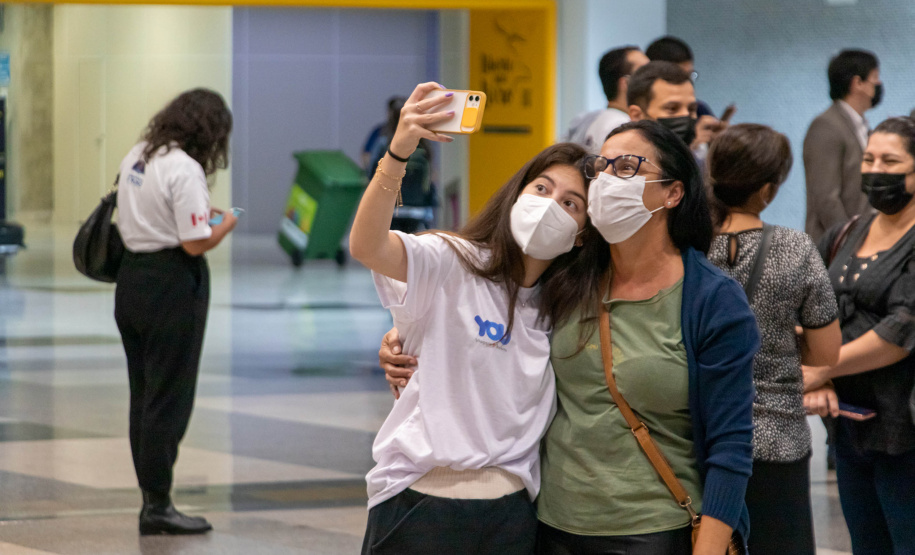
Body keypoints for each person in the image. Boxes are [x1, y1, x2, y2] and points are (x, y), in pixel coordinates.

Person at [381, 120, 759, 554]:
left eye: (627, 167)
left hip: (653, 529)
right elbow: (498, 318)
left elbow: (731, 445)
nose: (607, 181)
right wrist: (404, 336)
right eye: (601, 167)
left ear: (673, 193)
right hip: (551, 526)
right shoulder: (571, 278)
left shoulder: (710, 299)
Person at [351, 81, 600, 555]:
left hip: (512, 515)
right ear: (517, 195)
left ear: (583, 233)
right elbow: (367, 246)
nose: (550, 206)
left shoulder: (566, 307)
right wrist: (398, 154)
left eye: (571, 203)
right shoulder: (452, 259)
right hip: (420, 502)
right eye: (542, 188)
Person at [706, 124, 841, 555]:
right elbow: (827, 352)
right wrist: (784, 337)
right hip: (778, 437)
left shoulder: (687, 248)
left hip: (701, 433)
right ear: (768, 189)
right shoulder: (795, 249)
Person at [115, 88, 236, 535]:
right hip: (171, 287)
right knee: (169, 398)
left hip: (131, 281)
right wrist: (227, 223)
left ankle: (152, 497)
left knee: (144, 395)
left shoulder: (139, 155)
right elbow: (194, 242)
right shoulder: (184, 168)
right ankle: (158, 505)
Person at [803, 116, 915, 555]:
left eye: (891, 161)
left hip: (904, 429)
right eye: (869, 159)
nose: (875, 170)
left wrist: (822, 368)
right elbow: (804, 308)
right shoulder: (846, 232)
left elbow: (901, 328)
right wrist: (821, 376)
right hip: (850, 427)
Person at [803, 49, 882, 242]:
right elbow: (826, 199)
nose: (879, 84)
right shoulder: (826, 126)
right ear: (857, 83)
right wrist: (850, 243)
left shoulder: (863, 127)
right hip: (835, 248)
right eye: (875, 78)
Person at [645, 36, 723, 156]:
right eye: (672, 109)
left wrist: (719, 142)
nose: (687, 83)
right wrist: (691, 145)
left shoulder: (700, 109)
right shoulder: (645, 121)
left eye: (689, 76)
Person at [563, 46, 649, 154]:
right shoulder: (624, 128)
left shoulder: (582, 119)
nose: (655, 79)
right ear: (625, 83)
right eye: (646, 74)